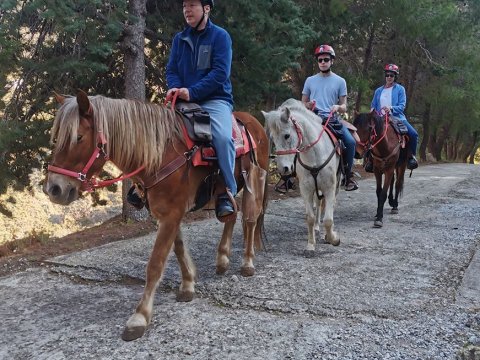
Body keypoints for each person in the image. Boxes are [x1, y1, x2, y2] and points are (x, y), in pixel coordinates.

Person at [166, 0, 237, 217]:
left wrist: (192, 92)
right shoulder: (180, 39)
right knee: (156, 131)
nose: (187, 9)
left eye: (192, 5)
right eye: (184, 5)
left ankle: (226, 191)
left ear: (206, 8)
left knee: (223, 138)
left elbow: (219, 73)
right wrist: (176, 88)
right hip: (184, 100)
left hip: (215, 100)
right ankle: (143, 187)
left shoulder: (220, 36)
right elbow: (172, 70)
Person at [301, 44, 358, 191]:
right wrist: (309, 105)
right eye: (320, 60)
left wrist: (338, 107)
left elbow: (344, 105)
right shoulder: (310, 80)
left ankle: (348, 175)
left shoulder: (340, 81)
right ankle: (287, 176)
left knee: (350, 142)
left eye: (326, 59)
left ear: (332, 61)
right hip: (312, 119)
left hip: (331, 119)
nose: (323, 62)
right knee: (295, 138)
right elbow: (303, 102)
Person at [369, 64, 418, 171]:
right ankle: (369, 160)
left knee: (413, 134)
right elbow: (373, 105)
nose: (389, 77)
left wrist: (391, 108)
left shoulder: (400, 89)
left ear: (395, 77)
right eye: (387, 75)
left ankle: (411, 157)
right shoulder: (378, 91)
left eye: (392, 75)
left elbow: (402, 106)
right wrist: (372, 112)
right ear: (385, 76)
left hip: (397, 118)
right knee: (368, 134)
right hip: (380, 119)